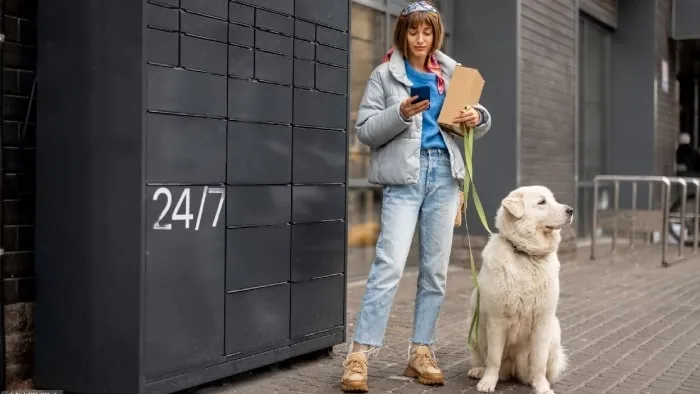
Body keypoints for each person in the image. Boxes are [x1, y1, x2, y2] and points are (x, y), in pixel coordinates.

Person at [341, 1, 492, 392]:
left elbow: (475, 117)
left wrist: (479, 116)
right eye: (413, 31)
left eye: (427, 32)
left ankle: (421, 352)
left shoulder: (452, 72)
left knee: (435, 272)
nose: (420, 39)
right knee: (389, 266)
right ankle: (359, 354)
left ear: (435, 34)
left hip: (445, 174)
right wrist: (402, 112)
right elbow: (366, 130)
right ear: (402, 33)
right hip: (405, 180)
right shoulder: (383, 75)